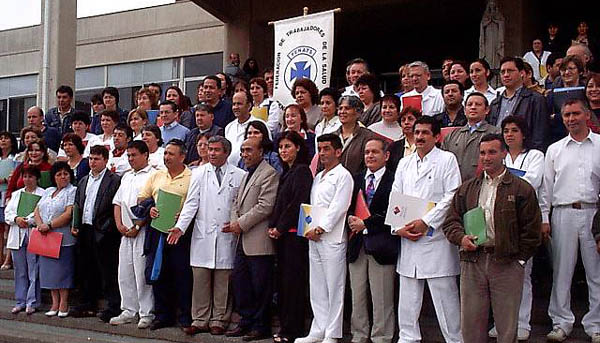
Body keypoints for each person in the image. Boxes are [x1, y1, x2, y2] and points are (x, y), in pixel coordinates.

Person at [442, 133, 541, 343]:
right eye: (483, 153)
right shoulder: (467, 188)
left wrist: (519, 260)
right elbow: (451, 222)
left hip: (506, 262)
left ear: (504, 153)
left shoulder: (521, 188)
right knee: (471, 325)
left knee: (506, 327)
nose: (486, 157)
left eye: (492, 152)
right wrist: (461, 239)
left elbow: (532, 231)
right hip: (473, 261)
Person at [392, 116, 462, 343]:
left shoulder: (447, 159)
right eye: (417, 132)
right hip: (408, 237)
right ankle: (408, 338)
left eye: (425, 133)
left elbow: (452, 195)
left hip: (436, 239)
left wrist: (427, 221)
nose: (419, 137)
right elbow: (396, 196)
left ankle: (455, 339)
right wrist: (398, 227)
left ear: (436, 136)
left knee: (445, 297)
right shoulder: (405, 163)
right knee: (408, 298)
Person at [172, 136, 245, 336]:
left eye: (216, 150)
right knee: (201, 279)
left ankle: (219, 319)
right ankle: (200, 319)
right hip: (203, 233)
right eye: (210, 149)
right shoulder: (199, 173)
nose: (211, 153)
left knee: (223, 281)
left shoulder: (239, 175)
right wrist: (180, 227)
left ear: (226, 153)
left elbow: (240, 205)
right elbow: (191, 203)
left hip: (226, 233)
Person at [541, 99, 600, 343]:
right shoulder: (555, 149)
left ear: (587, 115)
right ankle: (560, 322)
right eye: (567, 114)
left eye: (576, 113)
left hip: (593, 214)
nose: (571, 118)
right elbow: (546, 188)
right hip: (563, 212)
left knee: (596, 273)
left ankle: (595, 324)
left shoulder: (599, 145)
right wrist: (545, 218)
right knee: (562, 271)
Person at [484, 115, 544, 340]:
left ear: (524, 133)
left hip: (524, 218)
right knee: (499, 275)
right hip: (497, 218)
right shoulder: (499, 155)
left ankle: (521, 323)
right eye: (506, 130)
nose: (509, 134)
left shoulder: (535, 156)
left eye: (514, 130)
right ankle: (502, 322)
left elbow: (531, 183)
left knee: (522, 273)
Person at [295, 134, 353, 343]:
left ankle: (332, 333)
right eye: (320, 148)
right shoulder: (319, 176)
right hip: (314, 237)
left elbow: (339, 207)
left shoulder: (343, 176)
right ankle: (318, 328)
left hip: (332, 237)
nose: (323, 153)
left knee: (334, 286)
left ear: (338, 151)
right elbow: (313, 206)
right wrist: (310, 228)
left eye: (327, 148)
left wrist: (320, 229)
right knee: (317, 285)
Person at [225, 137, 279, 341]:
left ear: (261, 152)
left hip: (258, 240)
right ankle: (245, 321)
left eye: (249, 150)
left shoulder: (269, 173)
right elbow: (235, 203)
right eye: (242, 150)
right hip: (242, 239)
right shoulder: (247, 175)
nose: (244, 154)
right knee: (242, 283)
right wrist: (234, 222)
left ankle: (260, 325)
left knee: (261, 286)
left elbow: (265, 205)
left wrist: (240, 223)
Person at [137, 139, 193, 331]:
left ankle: (185, 317)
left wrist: (184, 214)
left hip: (181, 233)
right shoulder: (156, 176)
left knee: (182, 275)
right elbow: (142, 199)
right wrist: (149, 208)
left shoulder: (191, 176)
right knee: (159, 274)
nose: (167, 157)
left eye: (171, 154)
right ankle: (163, 315)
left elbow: (197, 203)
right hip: (157, 231)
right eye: (166, 153)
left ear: (182, 156)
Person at [347, 137, 397, 343]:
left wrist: (366, 224)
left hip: (382, 245)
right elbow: (348, 205)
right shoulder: (356, 178)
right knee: (357, 296)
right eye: (367, 152)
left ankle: (381, 337)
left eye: (375, 152)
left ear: (386, 156)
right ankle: (359, 335)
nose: (370, 156)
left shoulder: (394, 179)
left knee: (382, 297)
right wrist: (351, 218)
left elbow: (393, 212)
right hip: (357, 245)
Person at [268, 131, 313, 343]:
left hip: (294, 236)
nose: (283, 151)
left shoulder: (302, 171)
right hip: (283, 236)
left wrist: (281, 227)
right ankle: (285, 326)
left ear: (298, 147)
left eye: (288, 146)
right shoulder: (286, 172)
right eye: (281, 147)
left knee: (293, 283)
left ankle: (293, 329)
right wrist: (273, 226)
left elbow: (297, 203)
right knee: (283, 283)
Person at [71, 145, 122, 322]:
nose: (93, 162)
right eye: (91, 158)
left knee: (108, 270)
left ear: (106, 160)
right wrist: (75, 223)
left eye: (97, 159)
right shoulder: (84, 180)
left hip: (104, 231)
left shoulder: (114, 180)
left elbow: (115, 206)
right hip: (85, 228)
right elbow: (78, 203)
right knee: (87, 267)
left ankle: (113, 306)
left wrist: (107, 228)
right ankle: (88, 303)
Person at [108, 140, 155, 329]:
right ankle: (128, 309)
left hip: (142, 231)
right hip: (125, 232)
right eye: (128, 156)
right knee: (125, 272)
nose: (130, 159)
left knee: (141, 273)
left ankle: (146, 312)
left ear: (145, 155)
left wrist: (137, 226)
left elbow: (152, 203)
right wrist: (119, 224)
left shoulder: (154, 175)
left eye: (134, 155)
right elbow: (117, 202)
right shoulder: (126, 177)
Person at [34, 161, 78, 318]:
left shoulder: (72, 191)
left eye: (66, 173)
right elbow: (37, 209)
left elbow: (68, 214)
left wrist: (50, 225)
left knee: (63, 271)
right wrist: (40, 225)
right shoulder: (48, 191)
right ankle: (54, 302)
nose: (63, 177)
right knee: (49, 272)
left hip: (63, 237)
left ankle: (63, 303)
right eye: (59, 174)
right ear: (54, 177)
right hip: (46, 238)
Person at [4, 166, 44, 314]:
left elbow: (43, 211)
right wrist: (16, 219)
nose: (27, 180)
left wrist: (28, 219)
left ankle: (32, 301)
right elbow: (8, 213)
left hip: (33, 232)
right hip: (17, 234)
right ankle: (20, 301)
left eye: (31, 177)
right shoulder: (16, 194)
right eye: (25, 177)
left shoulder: (43, 194)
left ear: (36, 178)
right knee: (20, 270)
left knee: (34, 270)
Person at [488, 56, 549, 151]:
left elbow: (540, 135)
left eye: (510, 71)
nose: (506, 75)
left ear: (522, 73)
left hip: (525, 154)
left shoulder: (536, 99)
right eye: (503, 72)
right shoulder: (495, 103)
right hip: (498, 153)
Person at [442, 92, 500, 182]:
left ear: (487, 110)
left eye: (478, 104)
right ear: (465, 110)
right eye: (469, 104)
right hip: (455, 187)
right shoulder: (452, 135)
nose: (473, 107)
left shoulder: (496, 133)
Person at [547, 55, 587, 142]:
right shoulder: (552, 94)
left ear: (580, 71)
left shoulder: (587, 91)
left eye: (571, 69)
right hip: (559, 138)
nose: (566, 72)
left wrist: (556, 117)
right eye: (563, 69)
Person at [335, 95, 375, 175]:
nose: (342, 112)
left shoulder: (368, 137)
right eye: (340, 108)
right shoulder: (332, 136)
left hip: (356, 183)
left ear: (358, 113)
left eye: (347, 108)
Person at [225, 91, 262, 166]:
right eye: (234, 104)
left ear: (249, 105)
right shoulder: (229, 127)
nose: (235, 107)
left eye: (239, 104)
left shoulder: (259, 125)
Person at [0, 131, 18, 270]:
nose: (3, 141)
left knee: (9, 227)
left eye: (6, 138)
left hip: (8, 194)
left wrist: (5, 180)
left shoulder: (15, 159)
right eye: (1, 139)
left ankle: (8, 259)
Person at [386, 107, 421, 171]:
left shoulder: (425, 144)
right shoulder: (394, 147)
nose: (406, 122)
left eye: (410, 119)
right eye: (403, 120)